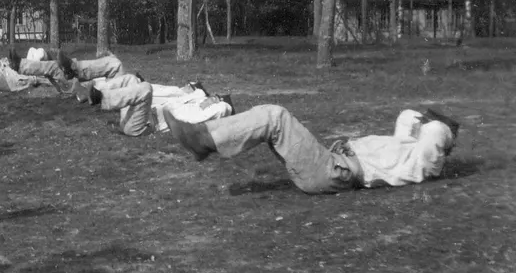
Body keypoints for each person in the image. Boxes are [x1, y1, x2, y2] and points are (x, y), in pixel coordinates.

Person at [164, 104, 459, 195]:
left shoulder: (423, 163)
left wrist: (445, 130)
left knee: (275, 117)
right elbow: (408, 118)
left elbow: (435, 133)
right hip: (330, 166)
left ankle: (203, 140)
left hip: (333, 172)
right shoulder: (408, 148)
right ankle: (203, 136)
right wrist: (424, 121)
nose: (424, 124)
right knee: (270, 118)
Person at [66, 75, 233, 137]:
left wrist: (221, 103)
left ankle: (101, 97)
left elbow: (224, 109)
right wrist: (199, 96)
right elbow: (197, 92)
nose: (211, 99)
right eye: (213, 96)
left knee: (145, 88)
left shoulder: (201, 117)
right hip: (136, 116)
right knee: (131, 79)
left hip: (141, 127)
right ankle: (90, 91)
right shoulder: (192, 102)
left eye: (215, 99)